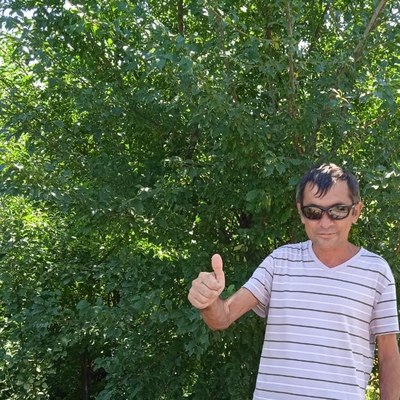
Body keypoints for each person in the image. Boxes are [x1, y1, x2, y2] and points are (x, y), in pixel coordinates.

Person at [188, 163, 400, 400]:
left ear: (356, 212)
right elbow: (223, 317)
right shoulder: (280, 261)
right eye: (313, 211)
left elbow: (389, 357)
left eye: (338, 210)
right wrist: (209, 301)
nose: (325, 222)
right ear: (301, 212)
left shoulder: (376, 271)